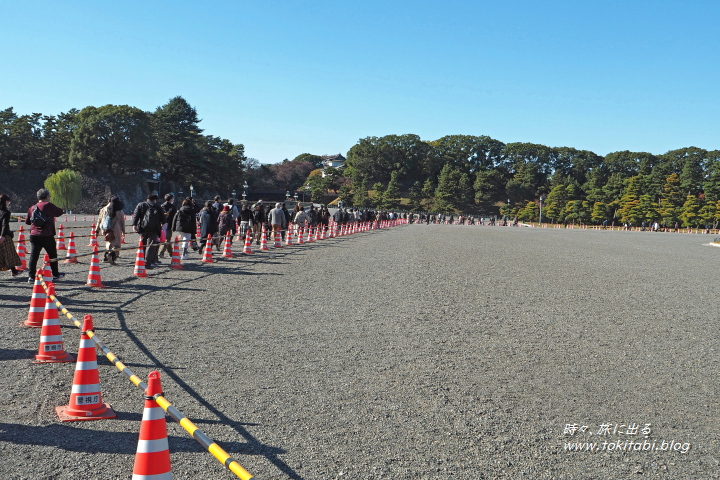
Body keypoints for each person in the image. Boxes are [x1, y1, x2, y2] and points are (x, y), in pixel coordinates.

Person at [25, 188, 64, 283]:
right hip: (47, 234)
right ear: (47, 196)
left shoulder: (32, 207)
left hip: (34, 235)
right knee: (52, 255)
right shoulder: (48, 205)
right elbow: (60, 212)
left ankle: (31, 277)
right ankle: (55, 274)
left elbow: (27, 221)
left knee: (34, 256)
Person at [132, 194, 164, 268]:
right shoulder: (157, 206)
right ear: (155, 200)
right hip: (154, 228)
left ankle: (141, 259)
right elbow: (163, 218)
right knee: (151, 245)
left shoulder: (141, 205)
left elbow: (136, 215)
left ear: (147, 198)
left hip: (143, 227)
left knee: (143, 243)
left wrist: (134, 225)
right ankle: (148, 262)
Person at [96, 196, 125, 265]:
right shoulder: (120, 211)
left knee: (108, 243)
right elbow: (122, 223)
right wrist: (123, 232)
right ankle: (112, 256)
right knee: (116, 245)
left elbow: (99, 220)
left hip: (106, 229)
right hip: (116, 229)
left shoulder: (104, 209)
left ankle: (106, 257)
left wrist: (97, 230)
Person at [0, 194, 23, 278]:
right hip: (5, 236)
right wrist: (2, 236)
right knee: (9, 254)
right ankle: (14, 271)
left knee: (2, 255)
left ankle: (14, 271)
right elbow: (4, 225)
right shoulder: (6, 212)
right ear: (5, 202)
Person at [158, 193, 177, 259]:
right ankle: (162, 252)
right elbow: (175, 216)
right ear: (171, 199)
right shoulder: (172, 207)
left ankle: (171, 253)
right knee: (168, 239)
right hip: (169, 224)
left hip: (162, 224)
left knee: (167, 239)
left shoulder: (161, 206)